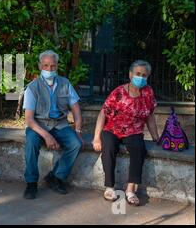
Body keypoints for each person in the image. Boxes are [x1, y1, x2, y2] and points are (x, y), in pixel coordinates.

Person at [92, 60, 159, 206]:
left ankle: (130, 189)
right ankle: (109, 187)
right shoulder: (118, 92)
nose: (140, 77)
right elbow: (103, 113)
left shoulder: (148, 92)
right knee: (108, 146)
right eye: (137, 74)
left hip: (133, 130)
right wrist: (96, 137)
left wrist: (155, 137)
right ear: (130, 74)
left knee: (139, 149)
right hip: (112, 128)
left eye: (144, 75)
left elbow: (150, 115)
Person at [23, 50, 84, 199]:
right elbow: (29, 120)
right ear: (39, 66)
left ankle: (56, 177)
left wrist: (78, 130)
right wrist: (47, 136)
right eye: (45, 66)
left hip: (60, 124)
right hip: (39, 125)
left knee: (76, 144)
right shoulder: (32, 87)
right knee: (31, 142)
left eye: (52, 66)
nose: (49, 70)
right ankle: (31, 183)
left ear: (57, 67)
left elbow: (76, 109)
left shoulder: (65, 83)